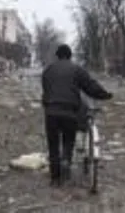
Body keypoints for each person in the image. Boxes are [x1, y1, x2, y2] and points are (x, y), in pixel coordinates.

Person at [41, 44, 113, 186]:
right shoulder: (76, 69)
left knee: (53, 144)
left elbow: (46, 89)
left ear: (57, 55)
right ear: (70, 56)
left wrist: (48, 103)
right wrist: (105, 95)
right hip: (70, 111)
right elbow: (90, 86)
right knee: (68, 139)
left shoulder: (48, 70)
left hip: (51, 112)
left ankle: (55, 179)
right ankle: (66, 159)